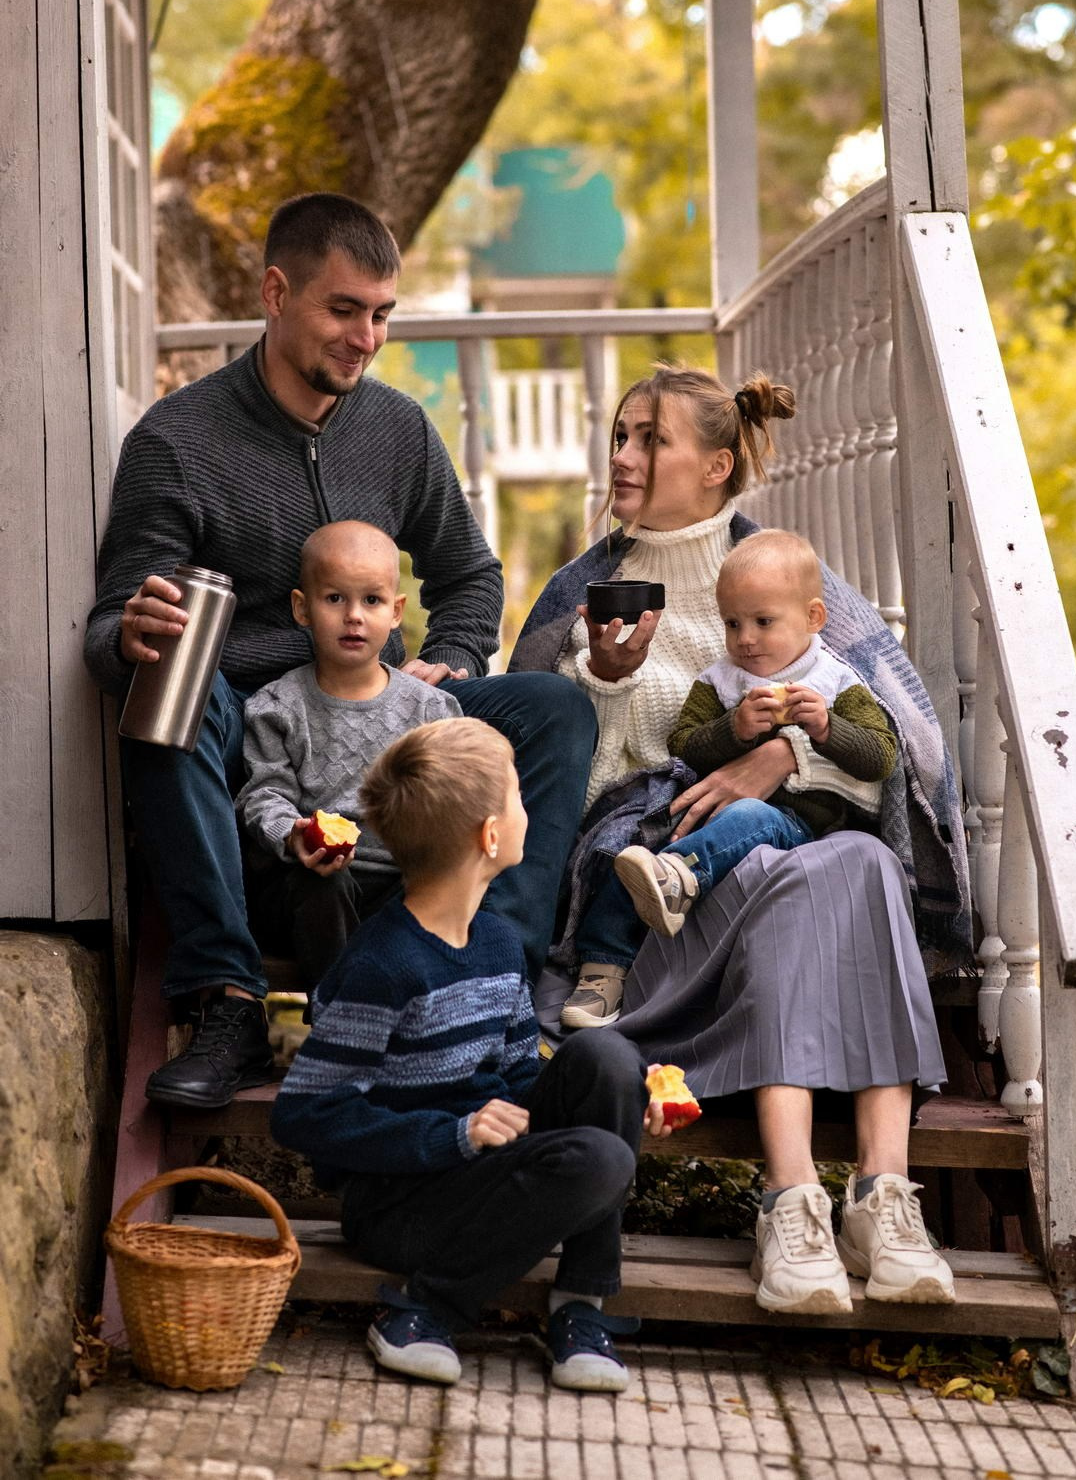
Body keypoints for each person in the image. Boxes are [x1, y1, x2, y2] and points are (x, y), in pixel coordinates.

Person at [83, 192, 596, 1109]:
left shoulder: (398, 429)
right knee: (171, 687)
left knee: (553, 707)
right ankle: (229, 995)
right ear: (277, 293)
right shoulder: (176, 443)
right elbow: (109, 628)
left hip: (394, 715)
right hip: (261, 736)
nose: (367, 337)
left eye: (383, 314)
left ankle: (496, 969)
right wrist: (131, 634)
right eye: (344, 309)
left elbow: (470, 576)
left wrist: (459, 662)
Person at [510, 363, 967, 1314]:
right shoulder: (580, 593)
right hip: (661, 900)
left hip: (787, 869)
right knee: (819, 867)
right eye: (621, 435)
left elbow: (904, 749)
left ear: (717, 466)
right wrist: (602, 683)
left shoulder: (796, 581)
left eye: (650, 439)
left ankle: (879, 1197)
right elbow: (557, 797)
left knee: (863, 856)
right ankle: (794, 1195)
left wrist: (788, 763)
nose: (623, 455)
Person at [272, 719, 671, 1391]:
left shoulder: (496, 943)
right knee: (603, 1158)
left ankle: (581, 1305)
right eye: (517, 797)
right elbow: (304, 1114)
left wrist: (632, 1087)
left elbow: (518, 1077)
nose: (527, 811)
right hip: (401, 1206)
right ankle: (425, 1310)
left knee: (607, 1056)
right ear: (491, 836)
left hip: (484, 1176)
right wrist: (449, 1134)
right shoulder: (385, 966)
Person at [608, 527, 896, 961]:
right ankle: (603, 960)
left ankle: (679, 875)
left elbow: (880, 757)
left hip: (801, 824)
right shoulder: (721, 680)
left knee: (751, 814)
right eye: (732, 623)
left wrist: (826, 727)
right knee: (628, 833)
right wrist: (734, 728)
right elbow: (684, 743)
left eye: (763, 622)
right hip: (717, 809)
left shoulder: (834, 680)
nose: (745, 638)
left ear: (813, 618)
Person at [236, 520, 462, 992]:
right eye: (335, 598)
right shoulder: (277, 707)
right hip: (311, 881)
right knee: (323, 885)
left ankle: (429, 1022)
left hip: (400, 882)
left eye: (372, 600)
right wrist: (291, 833)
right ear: (302, 608)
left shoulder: (430, 708)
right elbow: (263, 796)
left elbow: (452, 798)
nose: (354, 615)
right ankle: (340, 1023)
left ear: (397, 611)